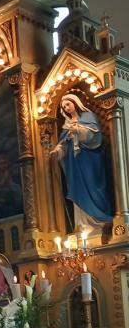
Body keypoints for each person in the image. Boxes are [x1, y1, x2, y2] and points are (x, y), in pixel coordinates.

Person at [50, 93, 113, 232]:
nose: (67, 108)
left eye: (68, 104)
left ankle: (100, 221)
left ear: (75, 102)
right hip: (74, 164)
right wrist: (57, 151)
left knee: (94, 187)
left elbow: (95, 137)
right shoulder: (66, 125)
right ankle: (83, 226)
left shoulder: (88, 117)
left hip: (90, 159)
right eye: (64, 107)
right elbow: (64, 143)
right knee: (78, 190)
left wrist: (78, 130)